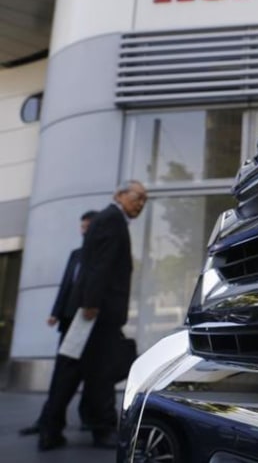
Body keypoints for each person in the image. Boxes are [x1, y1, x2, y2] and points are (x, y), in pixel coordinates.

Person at [37, 180, 148, 451]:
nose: (141, 203)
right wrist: (91, 304)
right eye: (137, 197)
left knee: (71, 371)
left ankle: (51, 430)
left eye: (145, 200)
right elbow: (101, 266)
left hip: (91, 311)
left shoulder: (107, 219)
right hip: (96, 313)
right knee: (99, 372)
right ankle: (101, 429)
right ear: (120, 195)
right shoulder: (112, 220)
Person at [18, 210, 99, 438]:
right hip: (67, 322)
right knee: (62, 376)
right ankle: (47, 421)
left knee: (89, 376)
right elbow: (66, 286)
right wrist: (55, 313)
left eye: (88, 227)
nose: (84, 231)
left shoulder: (101, 255)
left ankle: (88, 422)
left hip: (88, 325)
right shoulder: (76, 254)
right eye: (82, 227)